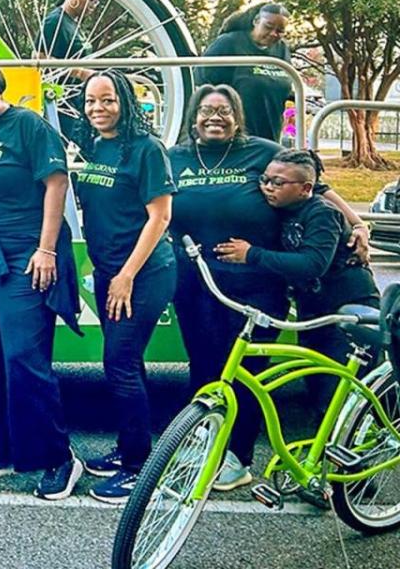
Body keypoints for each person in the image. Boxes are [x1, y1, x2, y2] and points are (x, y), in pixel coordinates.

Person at [167, 84, 369, 491]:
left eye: (224, 111)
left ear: (237, 116)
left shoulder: (262, 152)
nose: (215, 118)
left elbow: (319, 188)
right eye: (206, 110)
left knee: (245, 372)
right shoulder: (174, 157)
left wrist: (359, 222)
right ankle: (204, 442)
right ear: (193, 116)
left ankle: (237, 459)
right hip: (196, 283)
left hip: (257, 286)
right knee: (204, 367)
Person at [0, 60, 83, 500]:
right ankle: (9, 449)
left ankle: (59, 459)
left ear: (0, 87)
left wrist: (45, 249)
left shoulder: (28, 124)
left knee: (24, 357)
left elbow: (56, 183)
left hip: (28, 255)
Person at [73, 70, 176, 504]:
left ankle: (139, 467)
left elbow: (160, 217)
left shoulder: (146, 149)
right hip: (111, 271)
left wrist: (127, 275)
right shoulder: (96, 145)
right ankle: (127, 447)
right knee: (120, 363)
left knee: (120, 363)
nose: (98, 109)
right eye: (91, 101)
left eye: (108, 100)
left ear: (126, 102)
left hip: (143, 274)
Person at [214, 149, 380, 402]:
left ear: (305, 189)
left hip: (347, 308)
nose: (268, 187)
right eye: (265, 180)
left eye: (278, 183)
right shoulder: (282, 207)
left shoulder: (322, 213)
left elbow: (313, 264)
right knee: (315, 383)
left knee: (338, 391)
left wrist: (252, 254)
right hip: (313, 308)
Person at [197, 2, 292, 141]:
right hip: (234, 136)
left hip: (271, 133)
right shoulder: (229, 43)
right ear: (256, 21)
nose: (273, 34)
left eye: (280, 31)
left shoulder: (282, 49)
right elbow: (202, 84)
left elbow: (284, 85)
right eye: (268, 27)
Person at [40, 0, 100, 148]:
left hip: (76, 99)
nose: (94, 5)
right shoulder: (55, 21)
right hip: (60, 102)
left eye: (97, 1)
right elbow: (39, 57)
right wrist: (80, 73)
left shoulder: (73, 23)